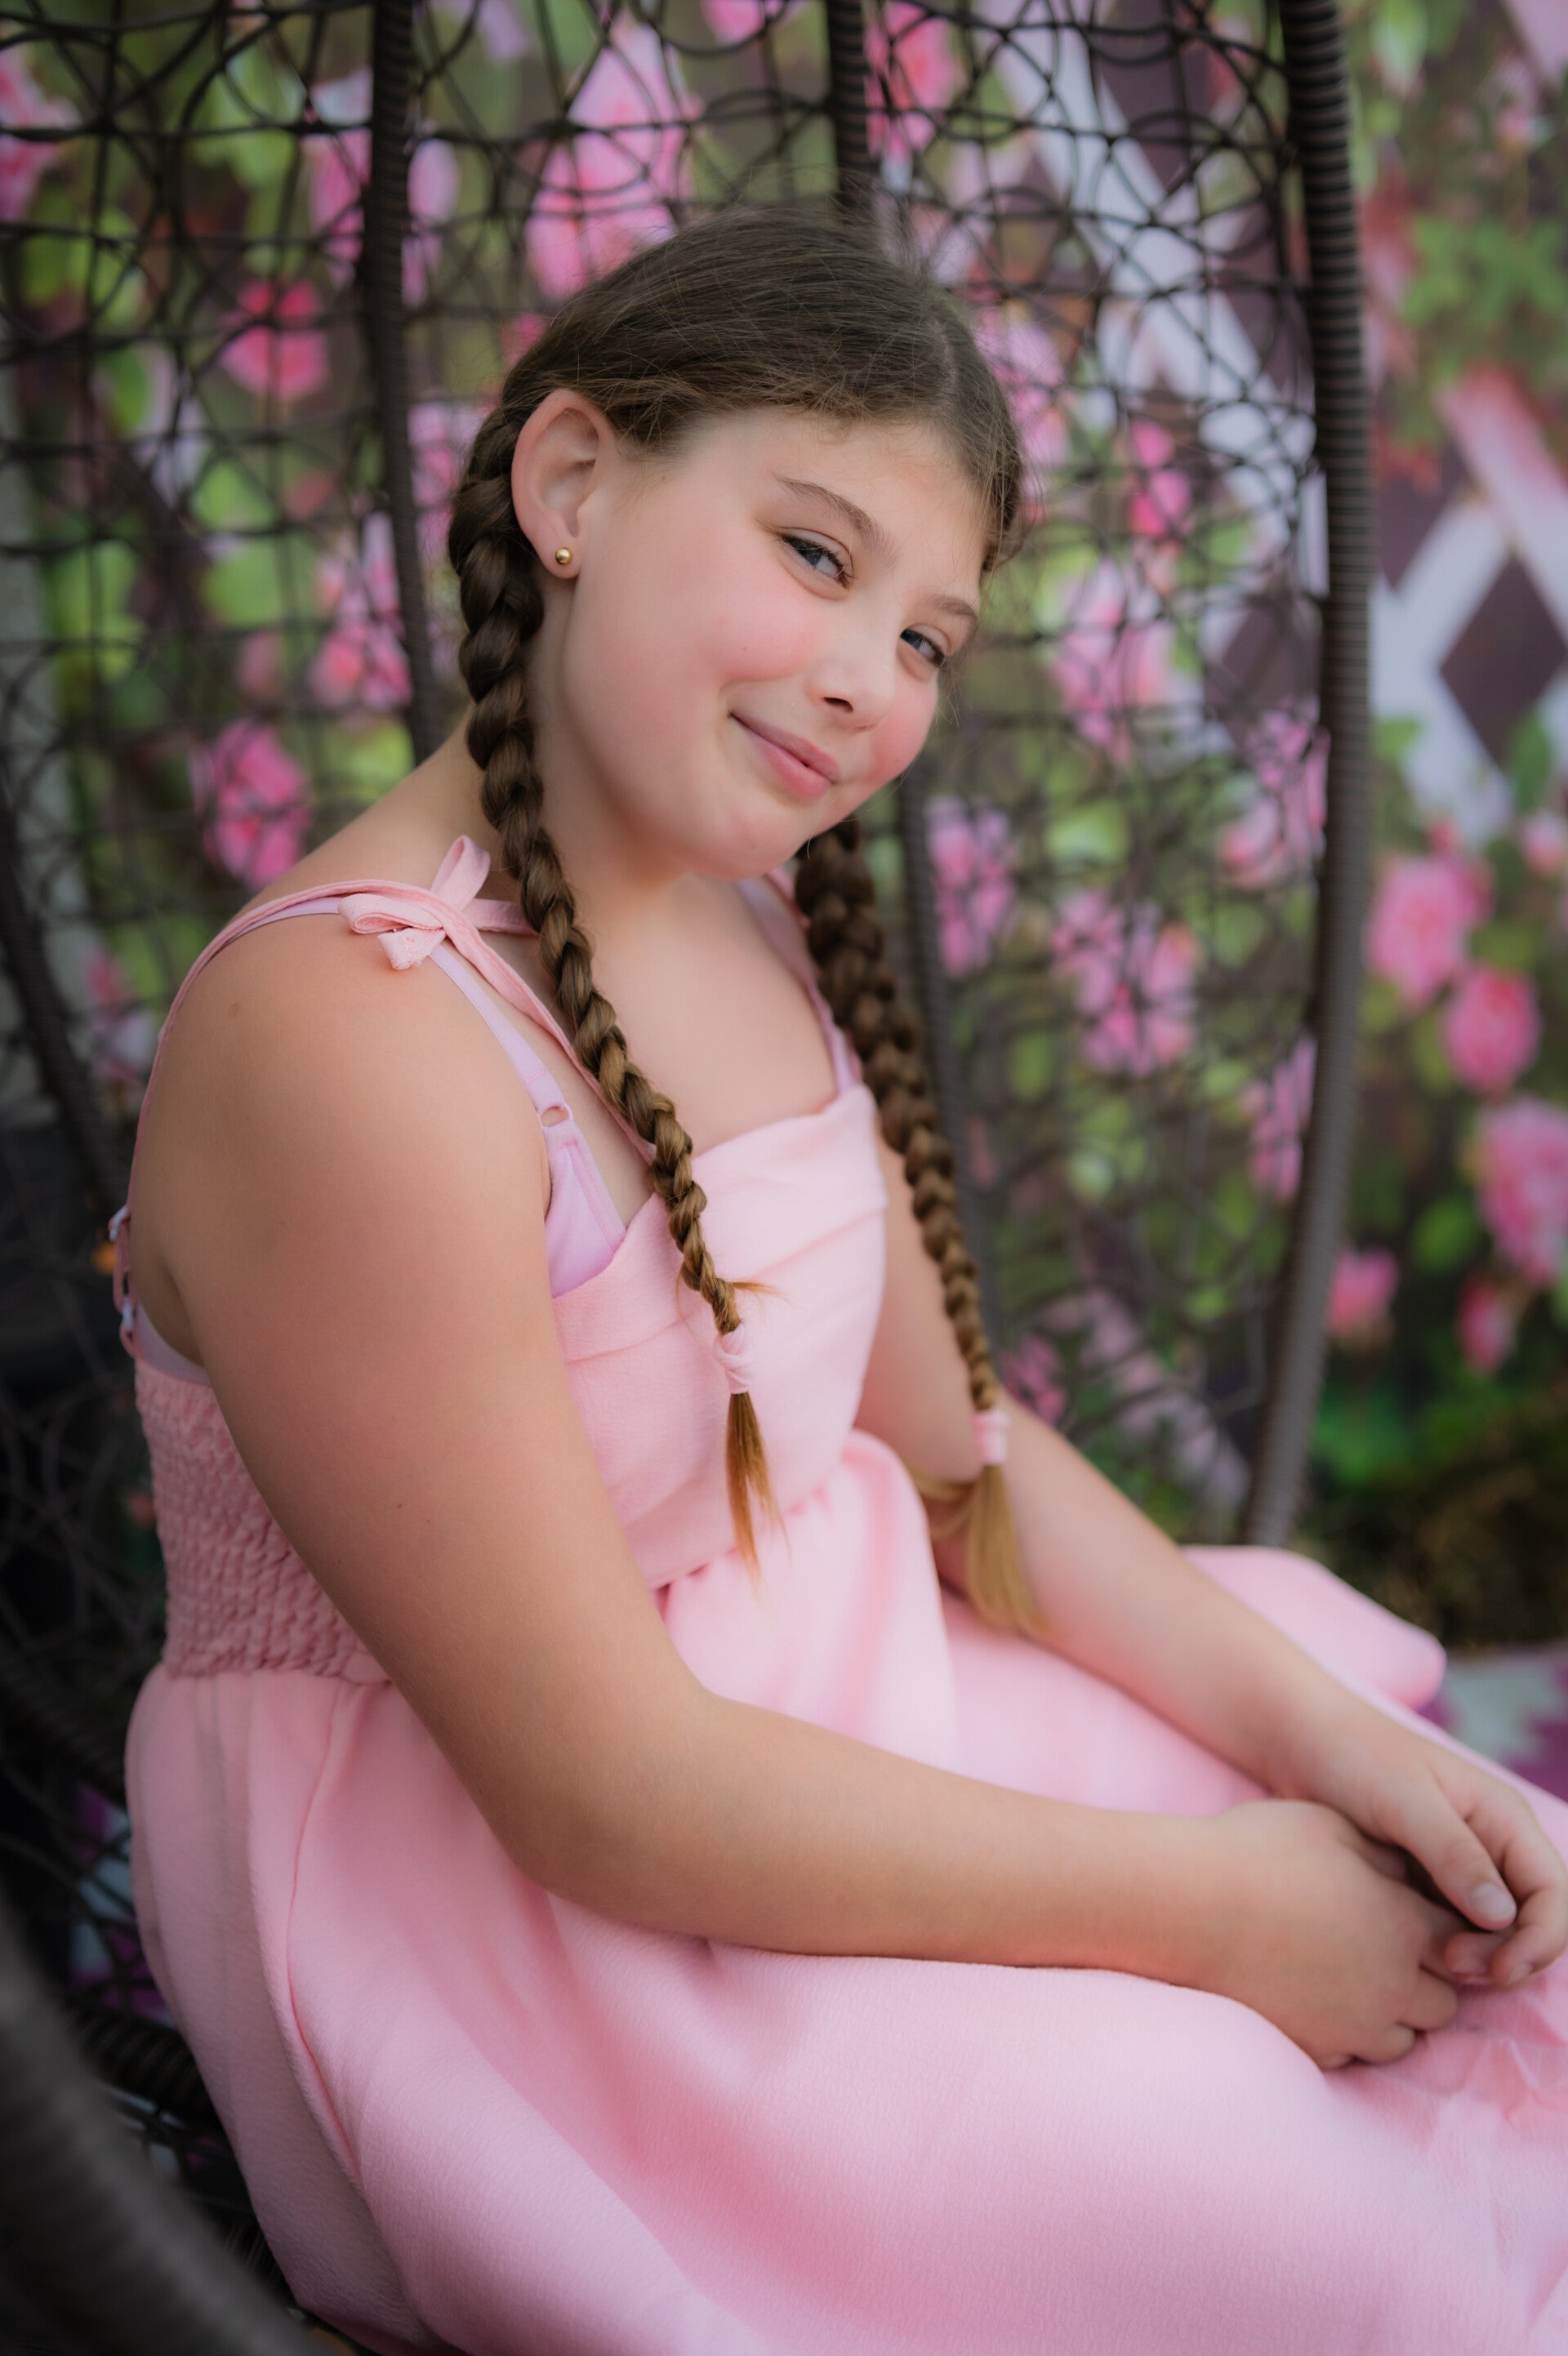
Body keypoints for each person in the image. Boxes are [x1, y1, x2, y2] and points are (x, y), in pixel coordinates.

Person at [119, 211, 1568, 2356]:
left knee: (1464, 1945)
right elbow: (600, 1792)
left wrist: (1328, 1743)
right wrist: (1211, 1919)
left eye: (927, 640)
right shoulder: (353, 1047)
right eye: (816, 555)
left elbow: (959, 1468)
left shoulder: (733, 904)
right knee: (1252, 2189)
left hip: (844, 1699)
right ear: (575, 483)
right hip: (543, 1906)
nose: (870, 682)